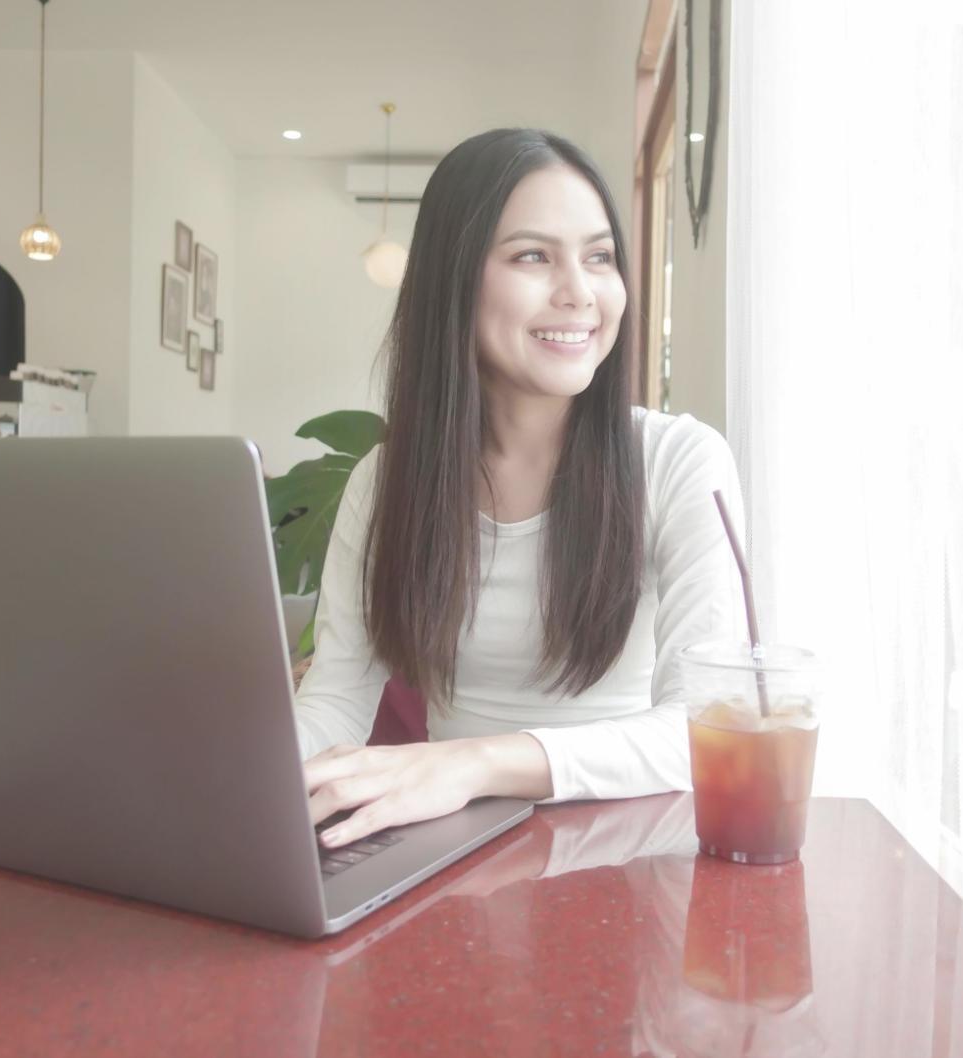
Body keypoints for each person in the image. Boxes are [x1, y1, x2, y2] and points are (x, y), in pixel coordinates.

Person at [296, 128, 748, 849]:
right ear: (454, 279)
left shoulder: (678, 462)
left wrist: (474, 763)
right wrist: (249, 775)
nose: (580, 293)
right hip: (440, 859)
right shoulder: (384, 484)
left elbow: (707, 726)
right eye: (534, 256)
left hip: (628, 856)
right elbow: (337, 697)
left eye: (599, 257)